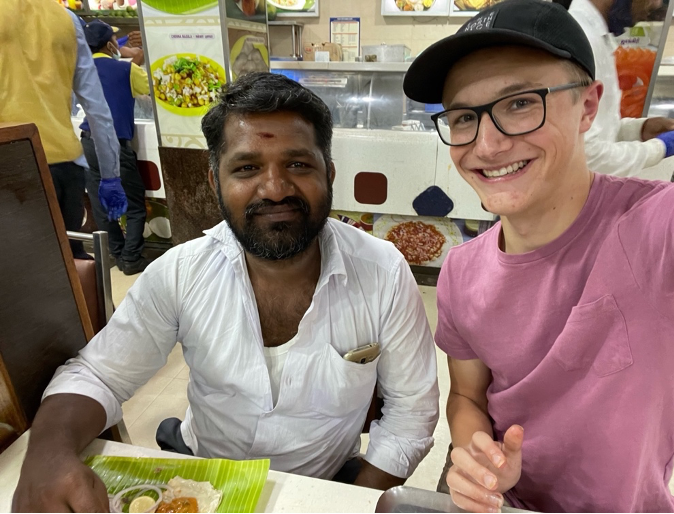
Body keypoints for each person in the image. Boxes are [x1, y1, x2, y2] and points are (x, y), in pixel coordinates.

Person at [12, 72, 440, 512]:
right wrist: (48, 455)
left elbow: (412, 413)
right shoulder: (180, 273)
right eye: (247, 168)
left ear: (328, 174)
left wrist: (353, 499)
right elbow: (98, 375)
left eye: (298, 164)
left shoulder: (383, 272)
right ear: (215, 180)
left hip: (325, 481)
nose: (274, 188)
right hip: (202, 479)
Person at [403, 0, 674, 512]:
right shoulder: (462, 273)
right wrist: (477, 457)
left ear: (588, 106)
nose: (487, 145)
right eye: (464, 117)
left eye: (520, 103)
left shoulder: (658, 228)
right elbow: (467, 396)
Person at [0, 0, 127, 260]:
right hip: (66, 167)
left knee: (19, 277)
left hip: (11, 163)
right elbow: (97, 108)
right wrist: (110, 176)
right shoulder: (66, 18)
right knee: (68, 263)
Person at [563, 0, 674, 176]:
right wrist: (659, 148)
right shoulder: (581, 39)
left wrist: (639, 130)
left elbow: (596, 128)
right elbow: (588, 156)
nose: (656, 4)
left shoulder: (598, 37)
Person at [81, 20, 151, 275]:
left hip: (88, 142)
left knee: (102, 204)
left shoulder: (80, 69)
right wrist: (139, 61)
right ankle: (131, 258)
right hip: (113, 144)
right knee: (133, 204)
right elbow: (149, 90)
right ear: (110, 43)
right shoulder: (125, 69)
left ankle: (117, 252)